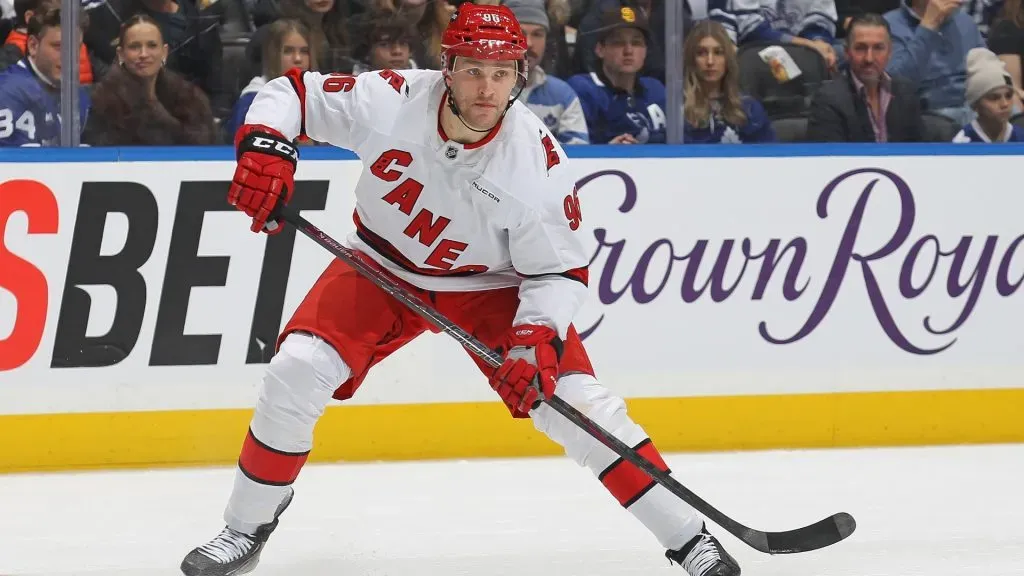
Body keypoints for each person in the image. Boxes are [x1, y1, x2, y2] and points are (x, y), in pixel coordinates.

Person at [179, 4, 740, 576]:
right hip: (383, 264)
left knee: (574, 406)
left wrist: (535, 338)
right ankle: (244, 529)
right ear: (446, 67)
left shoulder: (538, 167)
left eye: (502, 74)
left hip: (491, 286)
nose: (487, 89)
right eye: (473, 70)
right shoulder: (392, 97)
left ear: (518, 76)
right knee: (296, 368)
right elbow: (290, 94)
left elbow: (559, 272)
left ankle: (690, 539)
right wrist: (267, 149)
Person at [82, 14, 217, 145]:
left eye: (152, 45)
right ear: (120, 54)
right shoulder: (101, 101)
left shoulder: (190, 98)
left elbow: (207, 148)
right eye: (134, 47)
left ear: (164, 52)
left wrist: (159, 114)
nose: (144, 54)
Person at [807, 13, 925, 141]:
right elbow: (830, 158)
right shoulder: (828, 99)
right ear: (847, 52)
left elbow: (920, 154)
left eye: (878, 48)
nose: (869, 58)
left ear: (890, 52)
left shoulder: (905, 92)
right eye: (860, 48)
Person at [568, 6, 667, 144]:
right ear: (600, 49)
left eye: (636, 43)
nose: (628, 50)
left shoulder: (656, 90)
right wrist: (609, 152)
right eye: (618, 43)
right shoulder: (583, 90)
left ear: (645, 51)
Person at [0, 8, 89, 146]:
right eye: (59, 47)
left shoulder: (79, 97)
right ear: (33, 45)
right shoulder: (6, 93)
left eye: (76, 48)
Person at [506, 0, 589, 144]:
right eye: (519, 33)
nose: (529, 43)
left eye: (538, 35)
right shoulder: (482, 90)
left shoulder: (563, 94)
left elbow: (578, 155)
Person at [682, 20, 775, 143]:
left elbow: (771, 156)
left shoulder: (750, 109)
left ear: (728, 59)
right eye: (701, 53)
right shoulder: (676, 109)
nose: (710, 61)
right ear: (691, 59)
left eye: (718, 52)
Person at [228, 18, 317, 139]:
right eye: (288, 51)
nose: (298, 59)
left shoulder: (319, 97)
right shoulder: (255, 99)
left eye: (304, 51)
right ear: (273, 54)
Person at [953, 46, 1024, 140]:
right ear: (975, 105)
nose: (1005, 104)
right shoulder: (963, 141)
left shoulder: (1021, 137)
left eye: (1008, 96)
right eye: (994, 98)